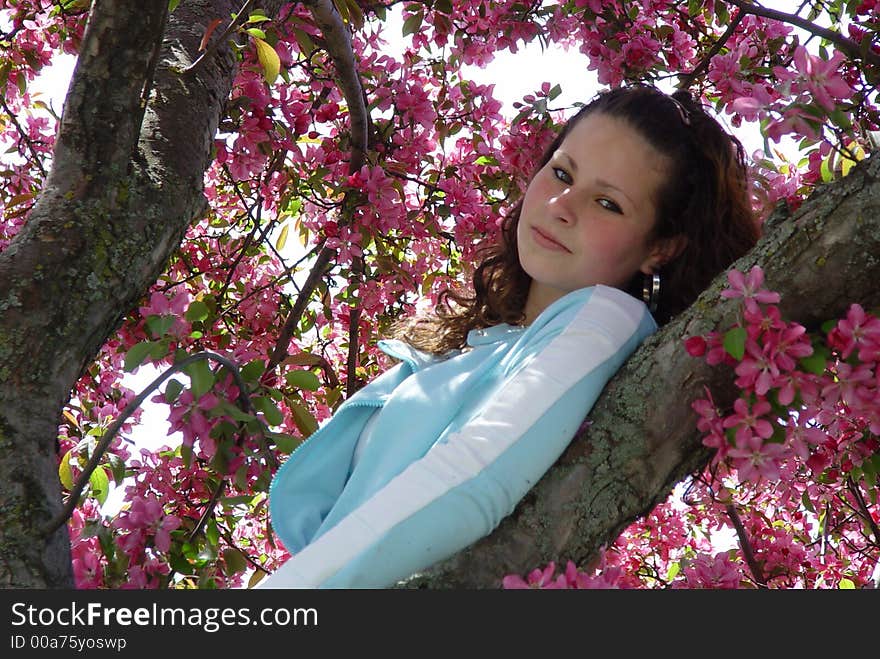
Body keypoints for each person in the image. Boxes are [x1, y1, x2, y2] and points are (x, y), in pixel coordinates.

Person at [258, 84, 760, 588]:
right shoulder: (484, 345)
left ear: (661, 249)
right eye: (562, 173)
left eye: (607, 203)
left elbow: (472, 477)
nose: (563, 205)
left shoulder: (608, 317)